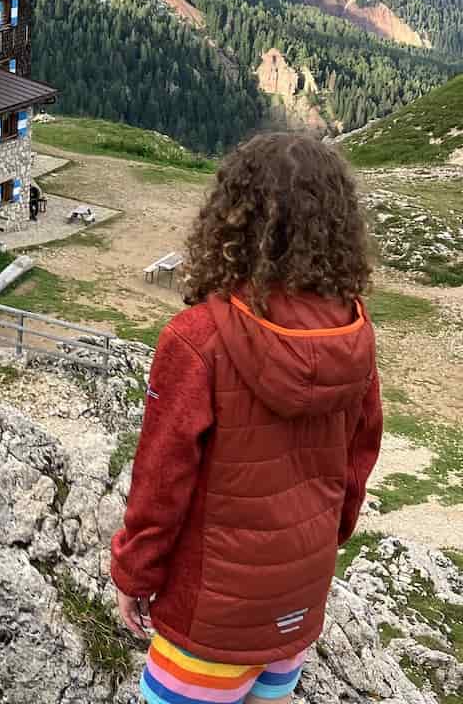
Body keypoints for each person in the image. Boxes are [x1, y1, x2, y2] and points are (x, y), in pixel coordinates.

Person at [111, 133, 382, 704]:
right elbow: (358, 466)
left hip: (210, 621)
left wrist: (134, 576)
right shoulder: (355, 337)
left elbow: (161, 482)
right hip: (297, 604)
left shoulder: (195, 340)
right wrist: (316, 547)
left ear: (229, 221)